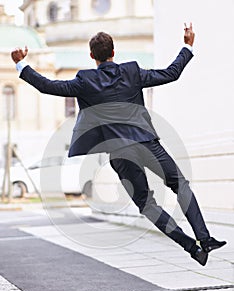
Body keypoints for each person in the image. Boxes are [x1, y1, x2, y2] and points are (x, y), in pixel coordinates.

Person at [11, 23, 226, 266]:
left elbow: (48, 86)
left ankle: (191, 247)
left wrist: (21, 64)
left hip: (120, 153)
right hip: (146, 143)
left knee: (147, 204)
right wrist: (187, 45)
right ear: (114, 52)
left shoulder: (85, 80)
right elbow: (170, 73)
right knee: (180, 184)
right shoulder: (132, 72)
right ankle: (204, 238)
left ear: (92, 56)